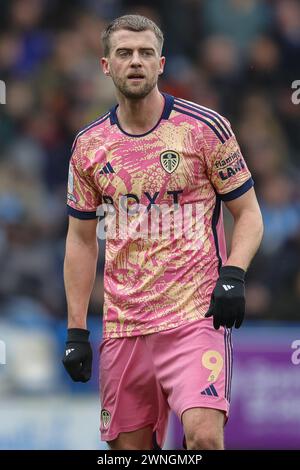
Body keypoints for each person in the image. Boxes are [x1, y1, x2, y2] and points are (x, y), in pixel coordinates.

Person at [62, 14, 263, 450]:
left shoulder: (204, 129)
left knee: (204, 438)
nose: (135, 61)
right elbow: (80, 241)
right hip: (124, 327)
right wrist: (77, 330)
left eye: (145, 53)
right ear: (105, 65)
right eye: (124, 53)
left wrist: (233, 273)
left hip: (195, 318)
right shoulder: (89, 146)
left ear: (161, 63)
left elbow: (248, 214)